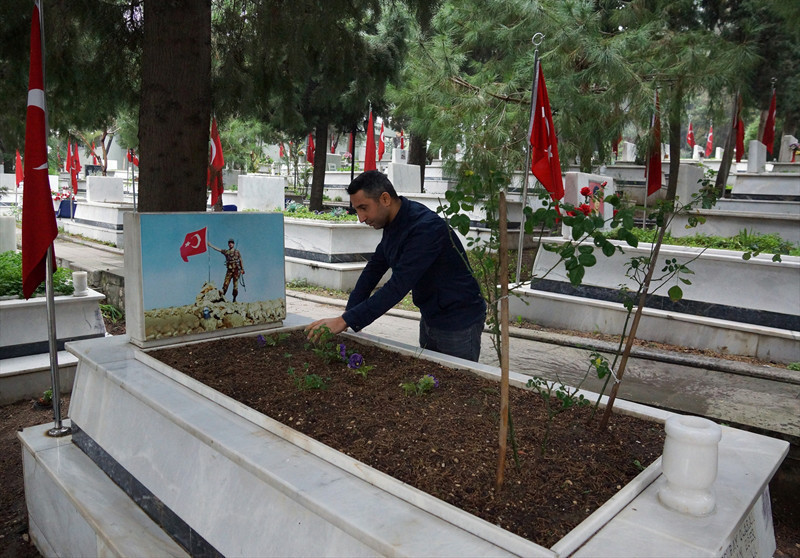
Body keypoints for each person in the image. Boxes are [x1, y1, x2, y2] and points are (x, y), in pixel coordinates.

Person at [306, 171, 486, 362]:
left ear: (385, 199)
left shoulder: (426, 228)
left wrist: (345, 321)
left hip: (459, 322)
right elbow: (374, 269)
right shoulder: (395, 222)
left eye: (363, 208)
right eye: (357, 210)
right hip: (431, 315)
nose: (361, 218)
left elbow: (397, 286)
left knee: (455, 384)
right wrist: (349, 315)